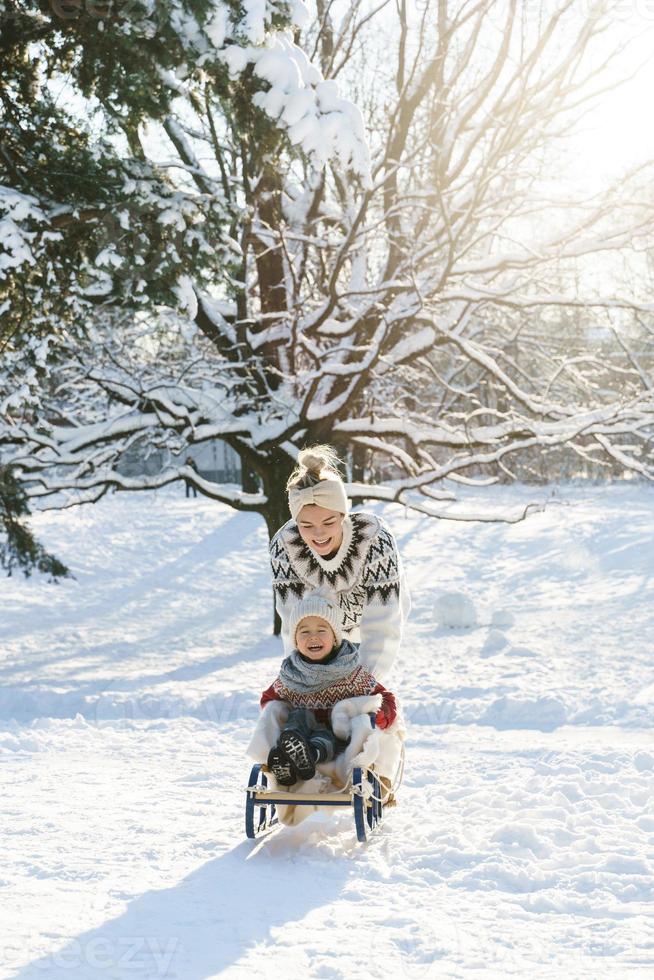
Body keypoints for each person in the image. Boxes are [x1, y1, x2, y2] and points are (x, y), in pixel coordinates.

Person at [269, 445, 410, 681]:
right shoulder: (285, 546)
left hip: (372, 634)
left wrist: (364, 686)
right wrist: (302, 681)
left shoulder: (374, 538)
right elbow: (293, 625)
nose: (319, 533)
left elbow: (383, 626)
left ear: (343, 515)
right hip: (320, 639)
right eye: (306, 525)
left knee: (363, 710)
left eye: (328, 522)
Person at [261, 595, 397, 786]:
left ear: (334, 638)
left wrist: (380, 716)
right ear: (296, 641)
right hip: (301, 730)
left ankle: (307, 757)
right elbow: (269, 699)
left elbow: (384, 698)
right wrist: (277, 715)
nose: (313, 637)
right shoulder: (291, 673)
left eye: (321, 630)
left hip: (335, 738)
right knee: (298, 717)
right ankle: (286, 755)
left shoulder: (350, 673)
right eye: (304, 632)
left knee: (324, 737)